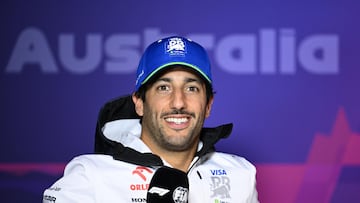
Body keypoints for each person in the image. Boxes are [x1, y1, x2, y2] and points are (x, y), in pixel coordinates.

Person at [43, 36, 259, 202]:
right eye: (163, 88)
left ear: (209, 104)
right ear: (139, 102)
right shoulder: (90, 176)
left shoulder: (240, 173)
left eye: (191, 88)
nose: (178, 103)